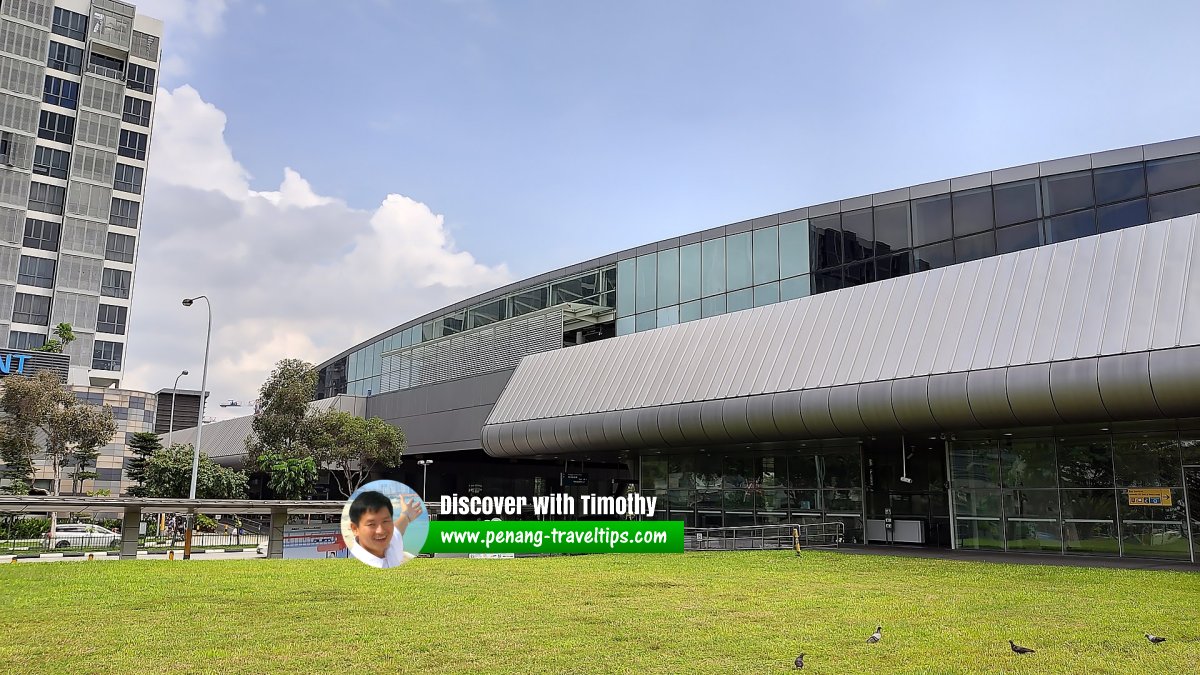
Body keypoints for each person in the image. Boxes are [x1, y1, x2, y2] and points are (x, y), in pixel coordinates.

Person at [347, 491, 416, 568]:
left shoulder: (391, 543)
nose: (381, 531)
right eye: (371, 524)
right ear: (355, 529)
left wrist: (406, 515)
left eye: (385, 521)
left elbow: (398, 528)